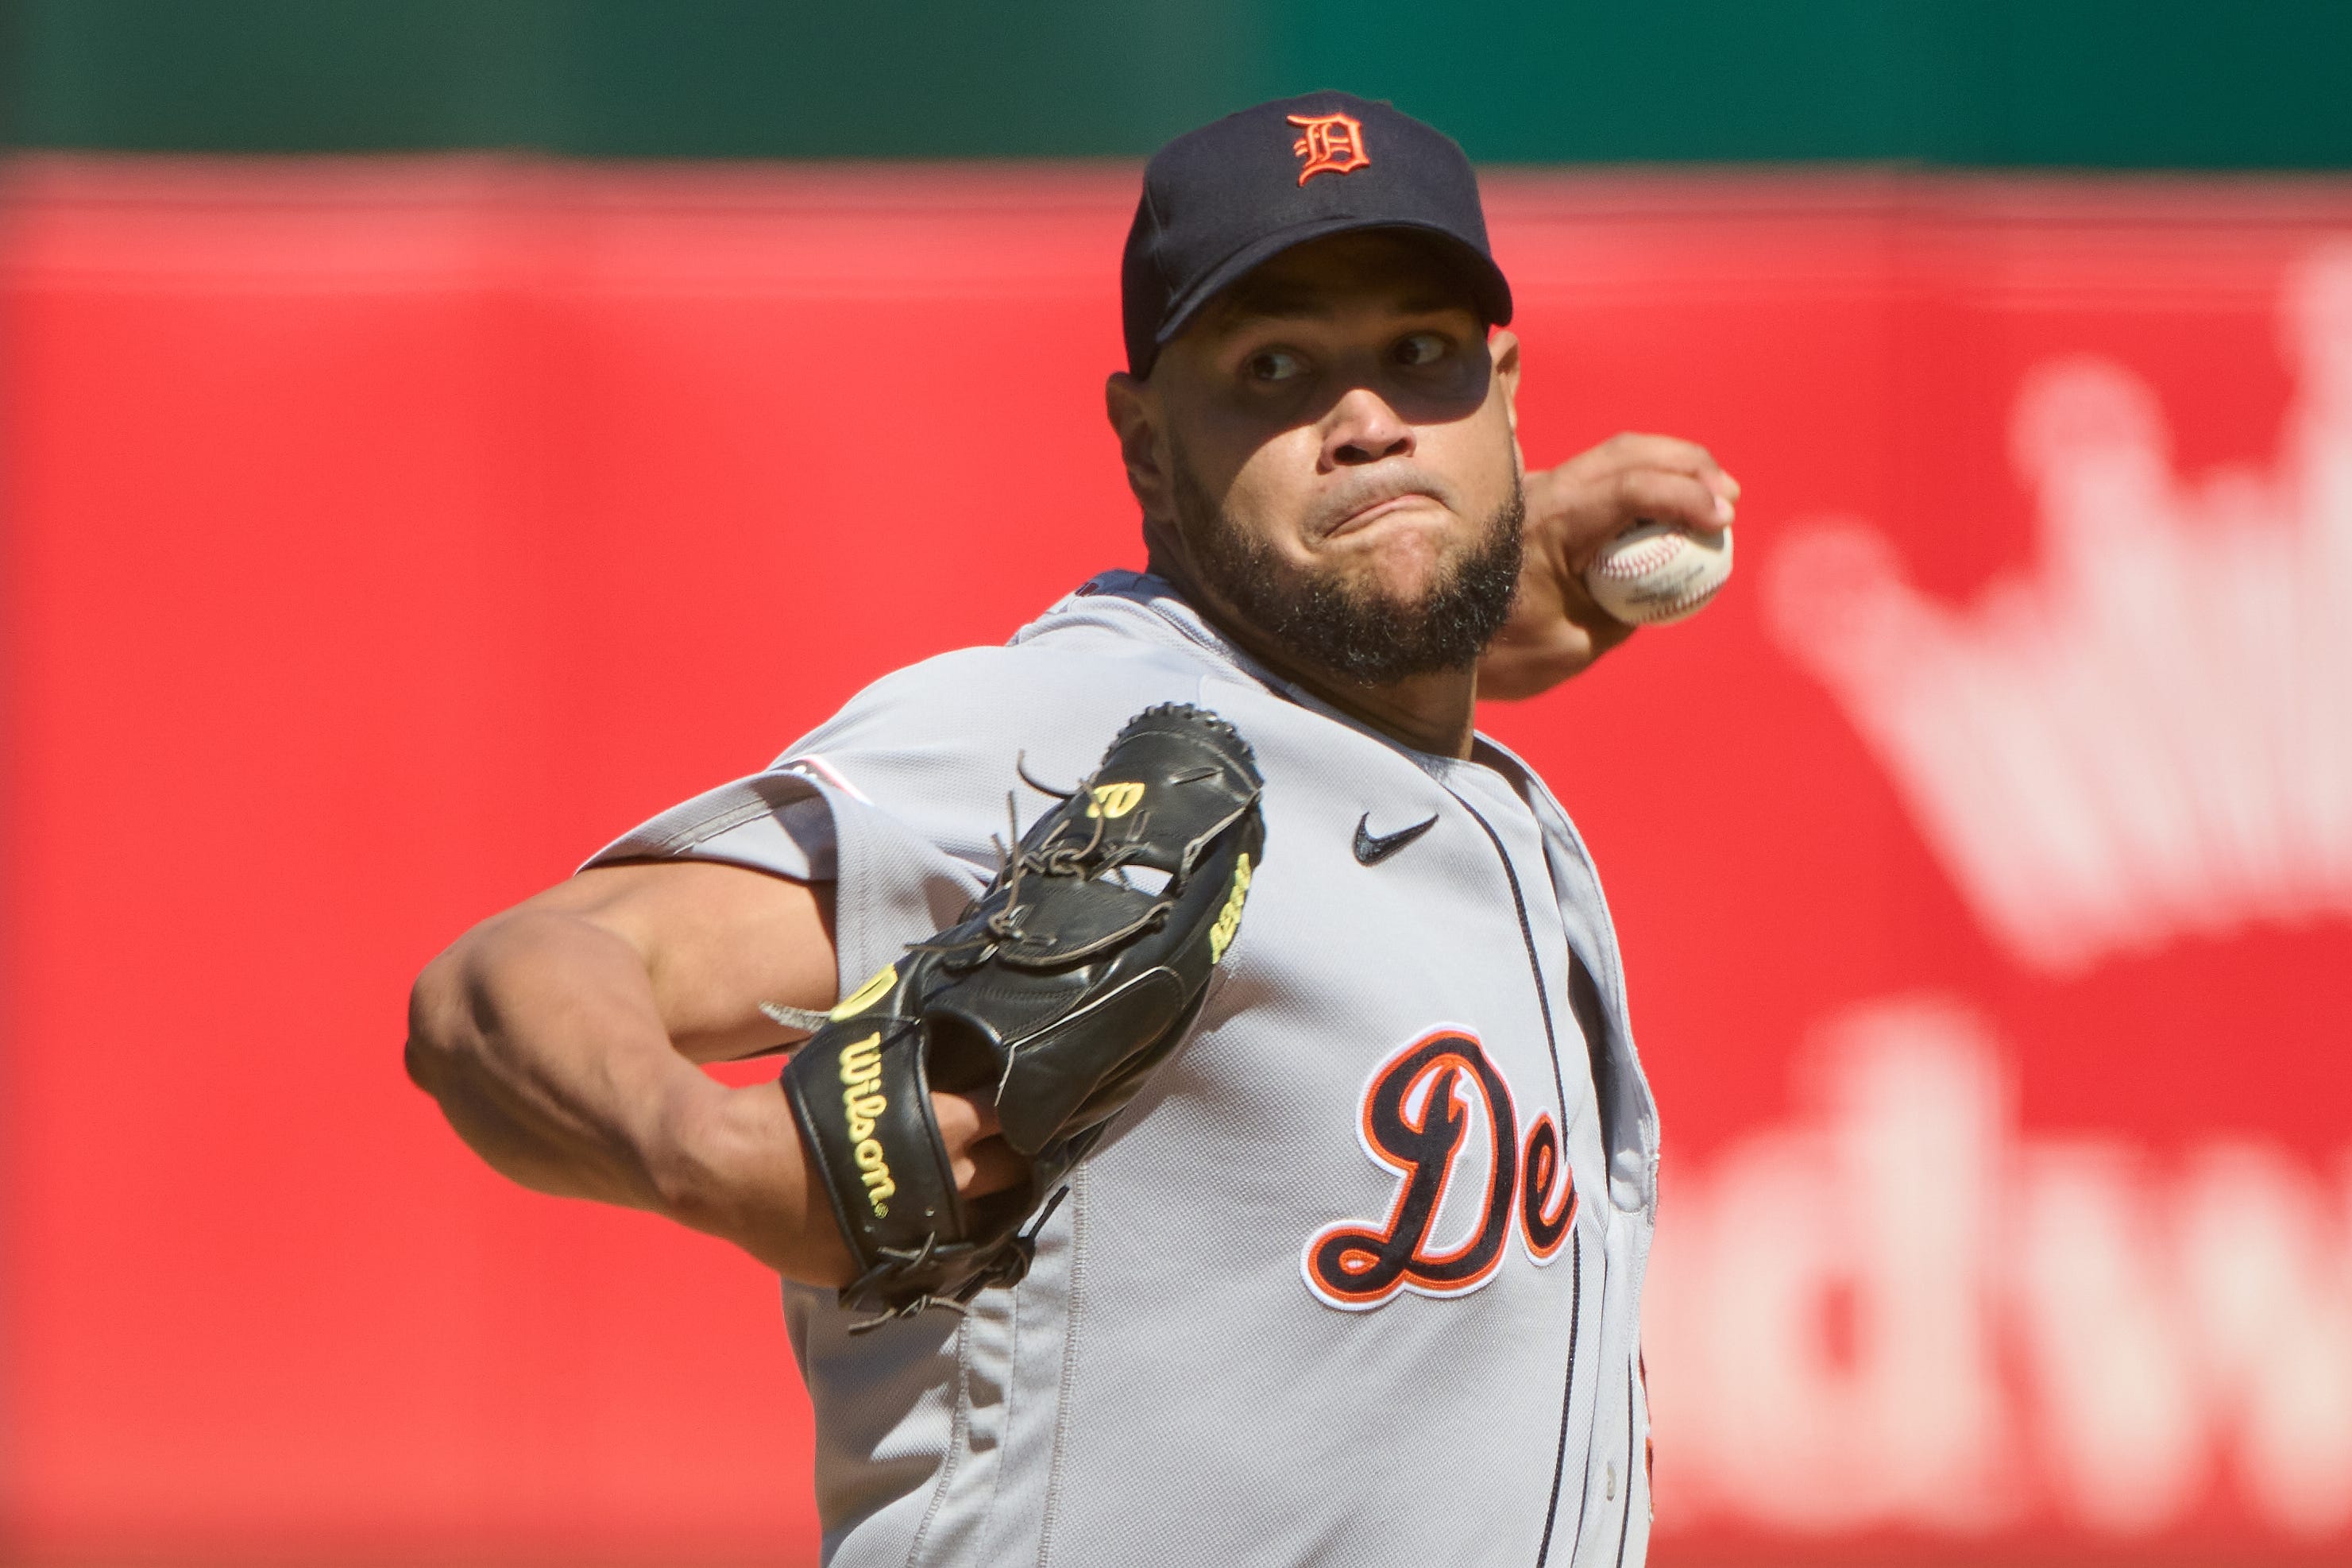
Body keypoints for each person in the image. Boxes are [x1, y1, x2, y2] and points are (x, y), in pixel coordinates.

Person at [407, 91, 1737, 1567]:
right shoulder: (1080, 729)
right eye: (1275, 367)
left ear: (1503, 390)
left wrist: (1481, 575)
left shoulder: (1417, 744)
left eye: (1415, 357)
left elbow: (1344, 685)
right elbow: (506, 981)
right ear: (1145, 444)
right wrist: (709, 1152)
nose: (1363, 423)